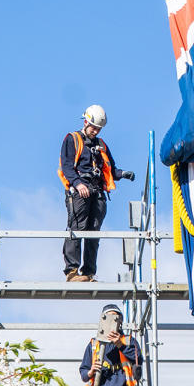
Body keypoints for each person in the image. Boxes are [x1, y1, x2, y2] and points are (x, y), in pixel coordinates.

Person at [58, 105, 132, 282]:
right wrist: (77, 183)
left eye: (98, 129)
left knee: (93, 233)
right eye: (93, 127)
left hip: (97, 191)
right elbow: (67, 167)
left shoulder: (101, 145)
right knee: (77, 228)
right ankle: (72, 271)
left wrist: (123, 174)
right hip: (80, 191)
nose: (95, 131)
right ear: (86, 122)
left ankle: (88, 272)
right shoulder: (72, 139)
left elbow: (111, 169)